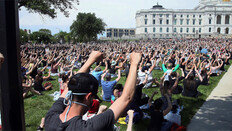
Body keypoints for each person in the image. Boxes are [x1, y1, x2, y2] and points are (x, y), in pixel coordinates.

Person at [45, 51, 142, 130]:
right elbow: (126, 98)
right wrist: (134, 64)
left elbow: (69, 88)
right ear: (88, 97)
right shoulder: (90, 127)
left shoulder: (50, 117)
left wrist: (91, 59)